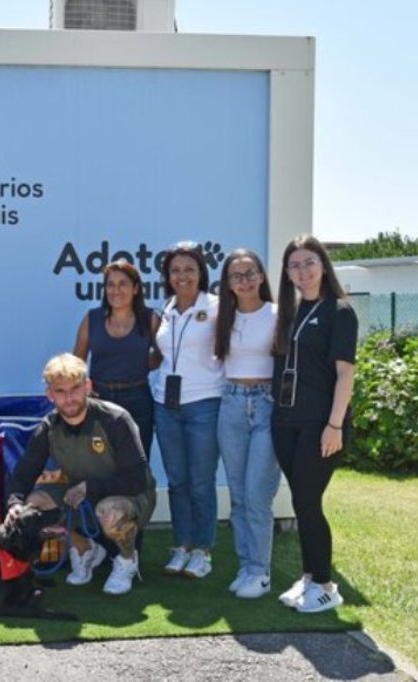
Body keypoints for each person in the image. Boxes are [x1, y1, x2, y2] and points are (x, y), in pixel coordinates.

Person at [7, 353, 157, 595]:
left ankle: (127, 561)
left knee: (110, 511)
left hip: (130, 496)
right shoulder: (49, 427)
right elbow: (24, 473)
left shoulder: (115, 419)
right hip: (79, 496)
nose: (69, 398)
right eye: (60, 391)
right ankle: (85, 549)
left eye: (75, 388)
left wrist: (89, 488)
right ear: (50, 395)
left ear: (88, 386)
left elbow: (137, 479)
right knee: (32, 506)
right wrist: (14, 503)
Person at [271, 235, 356, 613]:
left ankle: (325, 584)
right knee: (302, 500)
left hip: (321, 425)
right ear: (286, 273)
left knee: (308, 500)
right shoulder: (289, 313)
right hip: (286, 422)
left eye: (309, 262)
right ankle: (308, 579)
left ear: (323, 265)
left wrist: (334, 425)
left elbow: (345, 374)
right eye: (294, 265)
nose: (302, 271)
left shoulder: (339, 311)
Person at [151, 241, 224, 579]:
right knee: (177, 481)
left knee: (201, 482)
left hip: (204, 404)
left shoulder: (217, 306)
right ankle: (182, 545)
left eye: (189, 269)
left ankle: (203, 551)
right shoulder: (165, 309)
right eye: (176, 270)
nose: (183, 276)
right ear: (167, 275)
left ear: (201, 273)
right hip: (166, 404)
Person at [214, 249, 281, 599]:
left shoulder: (278, 314)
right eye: (236, 276)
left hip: (268, 406)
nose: (244, 281)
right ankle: (246, 566)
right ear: (227, 283)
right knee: (239, 496)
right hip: (232, 405)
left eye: (250, 273)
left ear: (261, 276)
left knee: (258, 494)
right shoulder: (222, 317)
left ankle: (261, 570)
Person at [73, 259, 160, 457]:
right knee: (99, 463)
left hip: (138, 398)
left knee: (136, 463)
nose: (116, 290)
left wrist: (139, 365)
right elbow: (77, 362)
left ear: (136, 288)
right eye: (110, 284)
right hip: (98, 398)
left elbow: (162, 355)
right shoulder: (92, 318)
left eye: (123, 284)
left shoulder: (150, 319)